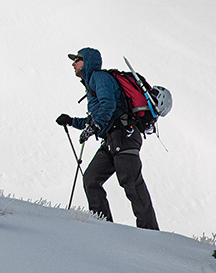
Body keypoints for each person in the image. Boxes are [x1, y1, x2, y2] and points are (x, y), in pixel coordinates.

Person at [56, 47, 159, 230]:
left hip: (123, 135)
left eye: (77, 60)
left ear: (87, 61)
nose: (73, 64)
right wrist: (72, 121)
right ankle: (103, 228)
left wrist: (95, 126)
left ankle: (149, 231)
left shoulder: (99, 77)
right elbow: (98, 116)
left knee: (131, 182)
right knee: (91, 179)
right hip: (111, 139)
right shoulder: (92, 83)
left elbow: (108, 106)